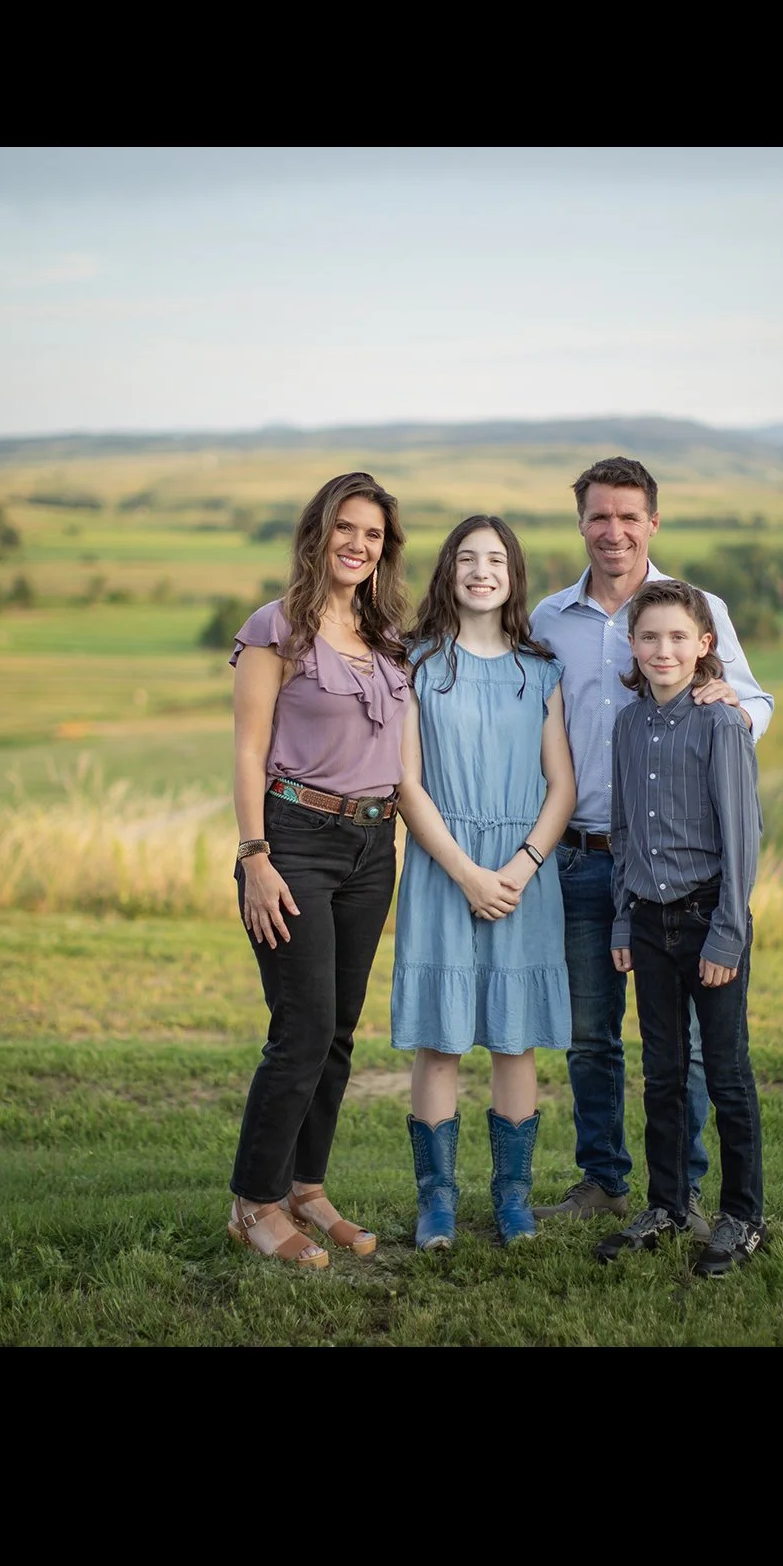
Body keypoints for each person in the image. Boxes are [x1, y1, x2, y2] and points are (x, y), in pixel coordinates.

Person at [527, 456, 773, 1232]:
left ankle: (684, 1191)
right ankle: (603, 1180)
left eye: (629, 516)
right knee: (590, 1037)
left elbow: (754, 698)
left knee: (692, 1051)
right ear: (581, 524)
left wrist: (728, 712)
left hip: (681, 873)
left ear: (653, 522)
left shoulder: (697, 610)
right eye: (600, 516)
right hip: (580, 854)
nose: (614, 530)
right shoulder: (547, 619)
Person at [225, 470, 409, 1269]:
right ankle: (253, 1204)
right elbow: (245, 748)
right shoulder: (277, 628)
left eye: (372, 535)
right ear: (318, 532)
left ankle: (306, 1187)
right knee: (299, 1030)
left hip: (374, 846)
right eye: (347, 528)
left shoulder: (388, 640)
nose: (358, 544)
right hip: (293, 839)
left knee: (336, 1031)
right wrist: (254, 855)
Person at [392, 516, 576, 1248]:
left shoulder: (542, 669)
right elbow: (405, 783)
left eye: (495, 558)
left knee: (514, 1039)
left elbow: (561, 785)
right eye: (466, 558)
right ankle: (436, 1201)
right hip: (443, 870)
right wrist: (467, 872)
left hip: (525, 875)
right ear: (448, 572)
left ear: (513, 574)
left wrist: (521, 867)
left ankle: (513, 1199)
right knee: (439, 1041)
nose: (480, 570)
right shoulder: (418, 664)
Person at [598, 579, 766, 1277]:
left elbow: (743, 837)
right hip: (647, 924)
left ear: (704, 646)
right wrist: (620, 918)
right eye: (649, 637)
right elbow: (624, 829)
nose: (663, 650)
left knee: (724, 1073)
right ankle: (666, 1205)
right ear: (633, 647)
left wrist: (727, 933)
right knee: (661, 1072)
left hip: (707, 921)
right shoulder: (629, 725)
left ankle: (742, 1216)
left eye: (677, 638)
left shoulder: (722, 724)